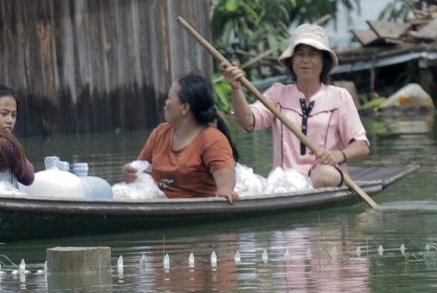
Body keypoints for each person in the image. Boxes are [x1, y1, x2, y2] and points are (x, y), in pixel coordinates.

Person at [220, 23, 369, 189]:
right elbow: (248, 120)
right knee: (237, 178)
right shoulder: (278, 93)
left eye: (312, 54)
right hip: (284, 182)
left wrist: (338, 156)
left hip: (325, 177)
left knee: (324, 175)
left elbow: (361, 145)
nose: (305, 60)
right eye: (300, 54)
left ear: (323, 61)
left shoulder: (339, 96)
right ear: (292, 60)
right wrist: (236, 88)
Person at [121, 74, 239, 203]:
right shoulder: (160, 132)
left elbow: (224, 174)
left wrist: (225, 189)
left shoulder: (212, 139)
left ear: (185, 108)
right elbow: (141, 166)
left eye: (169, 98)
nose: (165, 103)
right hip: (160, 202)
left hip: (196, 207)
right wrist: (130, 173)